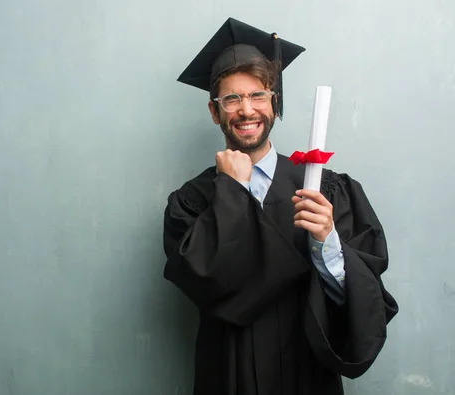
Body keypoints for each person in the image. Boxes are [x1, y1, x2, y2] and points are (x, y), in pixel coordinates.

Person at [162, 17, 398, 395]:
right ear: (214, 110)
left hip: (308, 371)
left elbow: (366, 298)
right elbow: (204, 283)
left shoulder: (326, 190)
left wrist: (327, 241)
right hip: (228, 372)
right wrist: (231, 189)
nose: (246, 110)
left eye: (257, 95)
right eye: (232, 98)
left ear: (274, 102)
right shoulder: (193, 200)